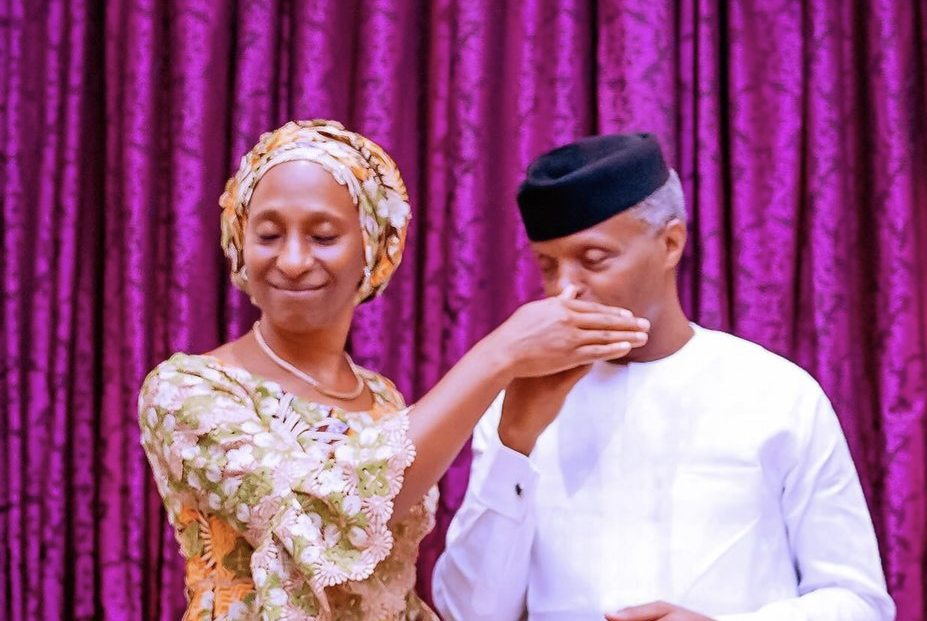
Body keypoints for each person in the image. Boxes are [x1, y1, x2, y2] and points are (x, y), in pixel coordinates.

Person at [137, 120, 649, 621]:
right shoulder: (188, 390)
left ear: (373, 249)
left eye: (322, 235)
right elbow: (321, 521)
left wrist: (518, 430)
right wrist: (497, 356)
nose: (292, 260)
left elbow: (389, 595)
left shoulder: (382, 399)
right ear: (240, 243)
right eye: (269, 234)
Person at [432, 132, 895, 621]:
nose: (565, 291)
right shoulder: (517, 406)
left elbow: (858, 601)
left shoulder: (777, 393)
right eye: (548, 267)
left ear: (670, 243)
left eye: (593, 260)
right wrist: (514, 446)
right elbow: (470, 614)